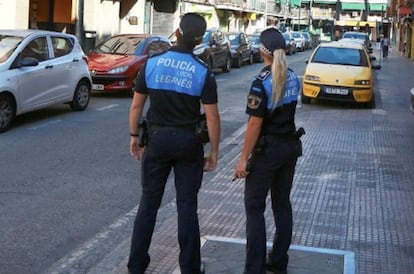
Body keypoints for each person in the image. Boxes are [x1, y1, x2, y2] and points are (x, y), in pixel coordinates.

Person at [127, 13, 221, 274]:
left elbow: (137, 105)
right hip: (189, 143)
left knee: (148, 203)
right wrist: (213, 151)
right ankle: (190, 268)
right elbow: (212, 117)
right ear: (199, 39)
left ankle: (136, 266)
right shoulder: (203, 71)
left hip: (156, 141)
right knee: (187, 206)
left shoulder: (153, 63)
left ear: (177, 33)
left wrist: (134, 136)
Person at [233, 27, 303, 274]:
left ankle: (254, 268)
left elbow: (255, 123)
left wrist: (243, 160)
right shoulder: (293, 76)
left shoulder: (260, 82)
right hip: (290, 148)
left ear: (263, 51)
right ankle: (279, 260)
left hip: (268, 152)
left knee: (254, 207)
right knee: (282, 204)